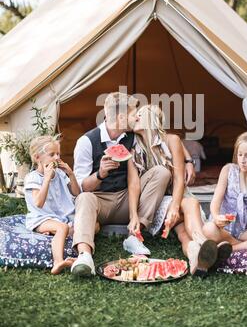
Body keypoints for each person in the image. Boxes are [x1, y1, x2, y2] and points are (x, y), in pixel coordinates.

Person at [71, 92, 173, 277]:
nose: (136, 117)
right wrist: (100, 174)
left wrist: (134, 215)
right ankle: (85, 256)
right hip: (99, 201)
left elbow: (133, 180)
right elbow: (81, 189)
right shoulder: (86, 142)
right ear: (121, 117)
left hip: (125, 198)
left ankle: (135, 235)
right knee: (85, 198)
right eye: (134, 113)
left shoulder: (132, 138)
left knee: (161, 172)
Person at [129, 104, 220, 275]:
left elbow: (179, 179)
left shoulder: (172, 140)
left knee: (184, 234)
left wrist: (174, 206)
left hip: (176, 197)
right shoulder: (133, 146)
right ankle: (206, 244)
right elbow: (134, 185)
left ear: (152, 119)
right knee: (191, 202)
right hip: (154, 203)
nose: (135, 117)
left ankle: (196, 259)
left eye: (140, 114)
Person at [24, 135, 80, 275]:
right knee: (62, 228)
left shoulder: (60, 174)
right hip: (41, 218)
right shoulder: (33, 177)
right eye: (51, 154)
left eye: (58, 154)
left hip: (61, 217)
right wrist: (47, 179)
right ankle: (58, 262)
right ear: (38, 158)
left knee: (94, 225)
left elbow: (76, 193)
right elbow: (38, 203)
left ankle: (56, 235)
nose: (56, 158)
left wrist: (71, 174)